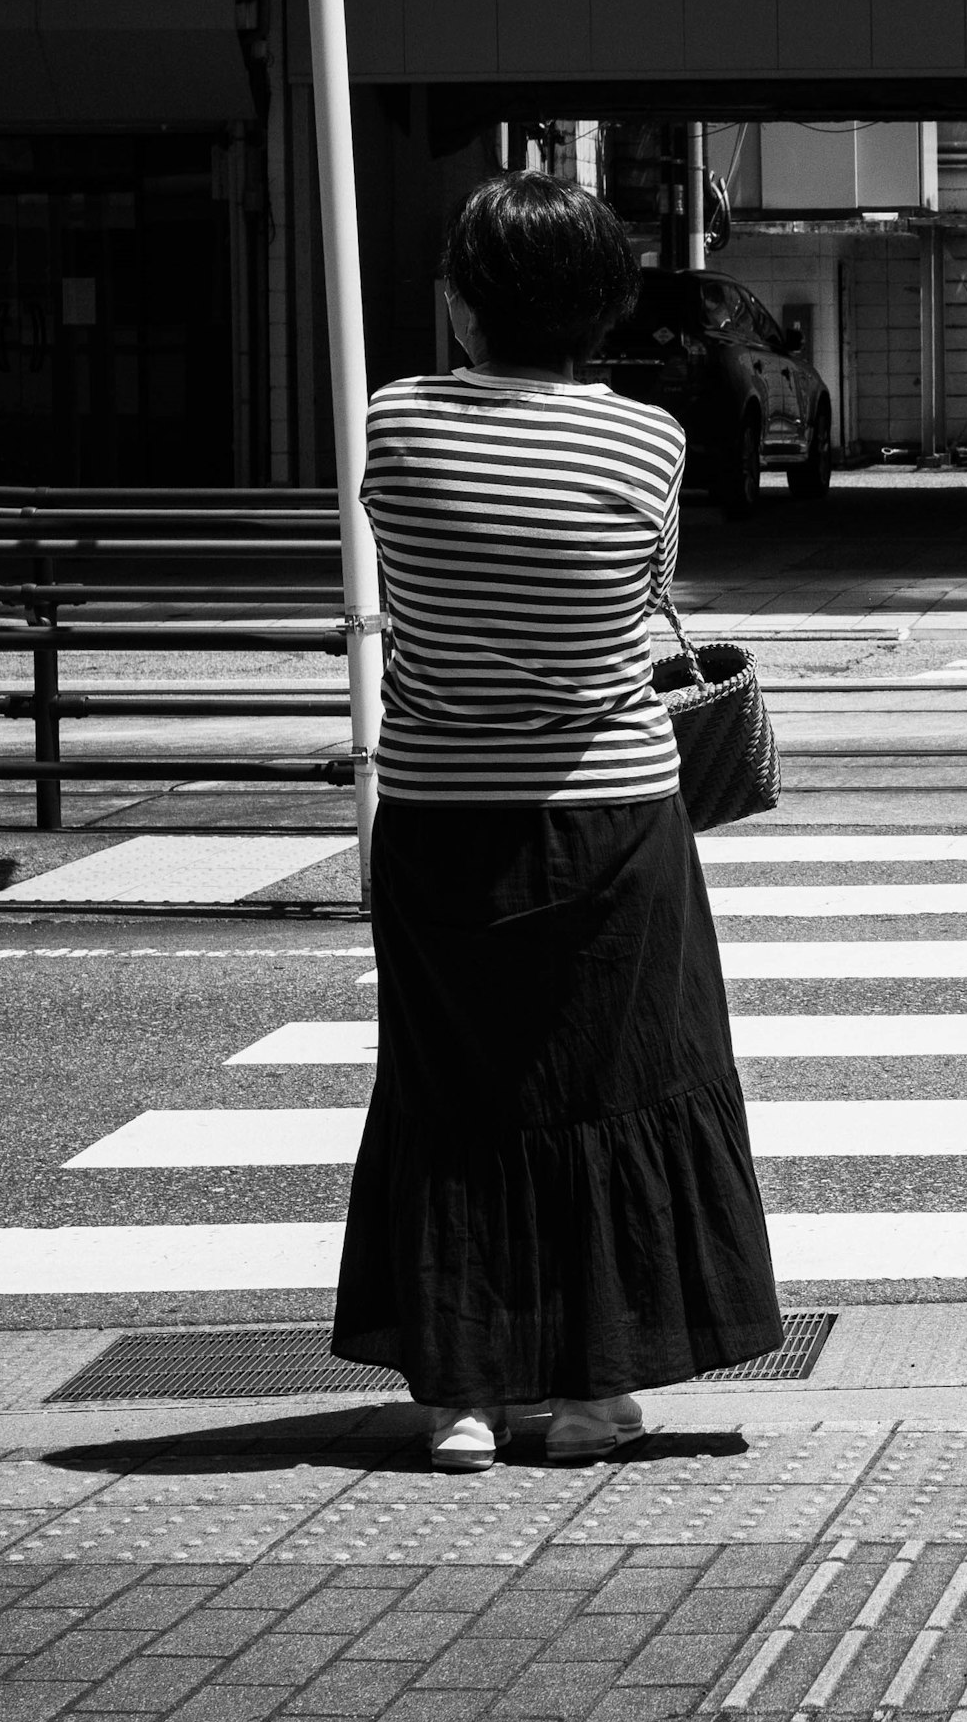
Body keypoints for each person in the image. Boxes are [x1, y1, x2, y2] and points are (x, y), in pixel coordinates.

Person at [334, 169, 785, 1472]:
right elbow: (651, 598)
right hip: (611, 818)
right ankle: (597, 1395)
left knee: (452, 1092)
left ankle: (464, 1395)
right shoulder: (649, 441)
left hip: (439, 811)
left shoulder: (397, 424)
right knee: (621, 1084)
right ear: (603, 303)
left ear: (468, 309)